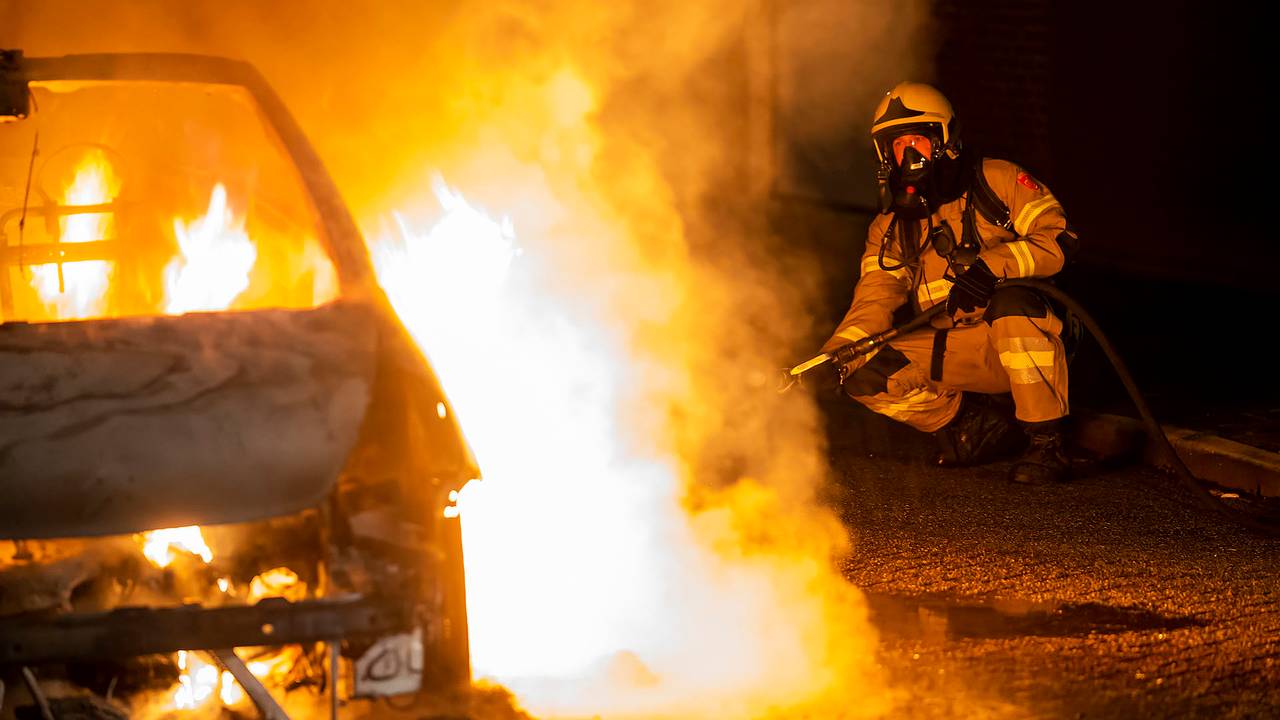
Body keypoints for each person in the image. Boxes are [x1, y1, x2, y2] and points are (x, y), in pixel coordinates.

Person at [822, 81, 1079, 484]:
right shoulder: (891, 228)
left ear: (946, 140)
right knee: (861, 370)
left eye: (918, 142)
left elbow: (1059, 240)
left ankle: (1046, 443)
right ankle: (971, 429)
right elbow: (874, 296)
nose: (908, 155)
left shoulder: (998, 180)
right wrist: (834, 356)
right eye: (897, 145)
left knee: (1014, 305)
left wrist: (992, 266)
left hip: (1021, 333)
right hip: (957, 346)